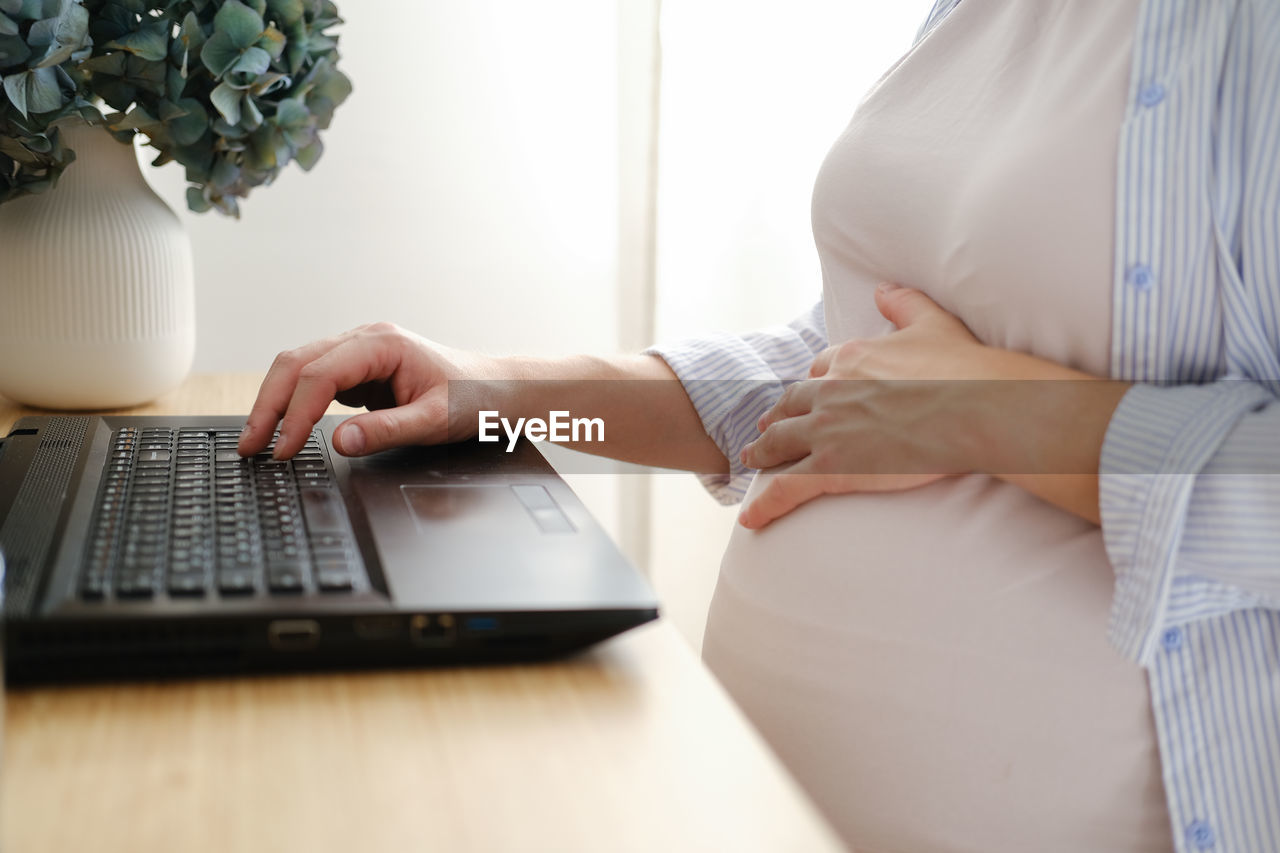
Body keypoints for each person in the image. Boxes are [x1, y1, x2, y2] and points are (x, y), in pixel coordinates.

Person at [240, 0, 1280, 849]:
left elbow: (923, 398)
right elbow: (845, 368)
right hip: (754, 801)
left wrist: (987, 416)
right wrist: (494, 398)